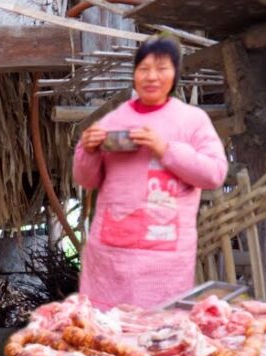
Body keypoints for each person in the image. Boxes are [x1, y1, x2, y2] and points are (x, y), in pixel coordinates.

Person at [73, 36, 228, 311]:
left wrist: (165, 149)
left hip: (163, 260)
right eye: (143, 69)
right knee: (106, 335)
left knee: (159, 335)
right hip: (111, 255)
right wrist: (88, 150)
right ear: (134, 74)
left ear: (175, 74)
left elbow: (214, 174)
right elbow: (86, 180)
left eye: (162, 68)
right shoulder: (114, 120)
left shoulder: (192, 120)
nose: (151, 77)